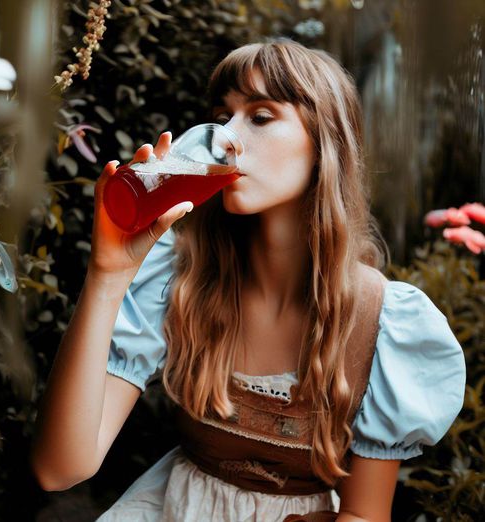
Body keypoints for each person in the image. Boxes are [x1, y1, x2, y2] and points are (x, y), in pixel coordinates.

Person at [30, 38, 466, 522]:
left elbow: (365, 514)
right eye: (223, 115)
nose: (227, 137)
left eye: (260, 116)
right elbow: (59, 469)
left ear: (325, 143)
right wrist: (106, 276)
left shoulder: (384, 322)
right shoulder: (182, 275)